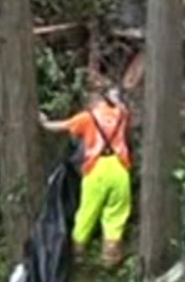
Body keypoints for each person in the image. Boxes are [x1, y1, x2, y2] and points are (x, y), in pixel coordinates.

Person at [39, 85, 132, 267]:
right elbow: (122, 106)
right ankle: (110, 260)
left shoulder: (86, 117)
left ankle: (77, 254)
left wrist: (43, 123)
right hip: (120, 168)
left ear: (90, 102)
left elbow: (61, 126)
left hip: (96, 169)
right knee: (116, 214)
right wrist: (116, 99)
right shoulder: (120, 113)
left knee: (87, 212)